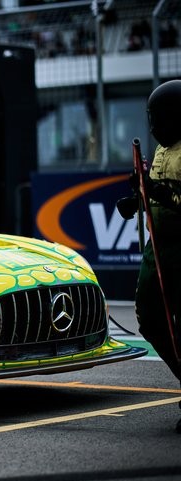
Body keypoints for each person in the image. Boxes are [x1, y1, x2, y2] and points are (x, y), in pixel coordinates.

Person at [135, 80, 181, 433]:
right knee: (149, 318)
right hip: (158, 246)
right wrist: (137, 197)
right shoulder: (162, 151)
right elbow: (152, 190)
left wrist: (161, 195)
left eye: (161, 118)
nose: (154, 127)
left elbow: (170, 195)